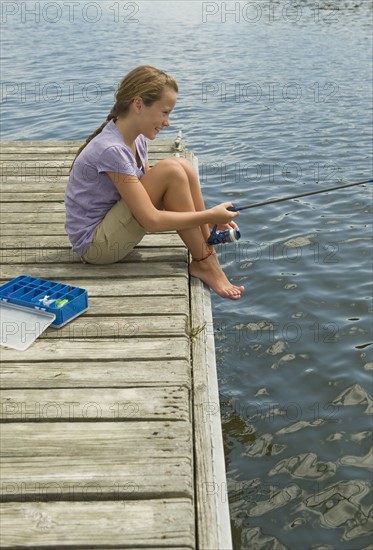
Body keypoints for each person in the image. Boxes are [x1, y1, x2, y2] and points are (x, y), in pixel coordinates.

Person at [65, 65, 244, 299]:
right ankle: (204, 262)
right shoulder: (111, 149)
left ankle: (208, 254)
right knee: (171, 169)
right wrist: (211, 215)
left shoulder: (137, 140)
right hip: (96, 247)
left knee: (183, 167)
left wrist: (210, 223)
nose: (168, 122)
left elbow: (156, 194)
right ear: (138, 104)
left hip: (113, 231)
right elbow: (151, 220)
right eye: (165, 112)